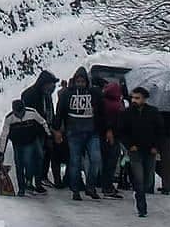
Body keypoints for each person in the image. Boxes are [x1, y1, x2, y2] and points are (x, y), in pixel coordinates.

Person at [53, 67, 103, 201]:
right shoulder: (67, 94)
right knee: (74, 162)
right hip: (74, 133)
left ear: (87, 82)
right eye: (78, 81)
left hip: (92, 132)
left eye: (83, 81)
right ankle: (75, 189)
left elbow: (102, 111)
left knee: (96, 159)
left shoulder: (94, 93)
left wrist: (104, 128)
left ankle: (90, 186)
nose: (80, 84)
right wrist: (57, 130)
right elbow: (59, 112)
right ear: (74, 81)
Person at [118, 86, 165, 217]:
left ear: (144, 99)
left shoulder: (153, 112)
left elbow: (160, 131)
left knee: (148, 180)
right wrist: (129, 145)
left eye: (137, 98)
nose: (134, 100)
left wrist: (156, 146)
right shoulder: (127, 113)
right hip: (135, 150)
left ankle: (139, 191)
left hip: (150, 150)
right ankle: (141, 206)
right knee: (139, 177)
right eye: (132, 97)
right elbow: (121, 131)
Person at [0, 98, 50, 196]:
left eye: (22, 112)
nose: (20, 115)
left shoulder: (32, 113)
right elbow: (4, 135)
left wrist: (48, 135)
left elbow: (43, 122)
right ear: (13, 111)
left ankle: (32, 182)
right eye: (17, 113)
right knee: (19, 164)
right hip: (18, 143)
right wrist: (1, 152)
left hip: (33, 140)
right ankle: (22, 187)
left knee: (33, 160)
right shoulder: (9, 118)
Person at [21, 69, 62, 187]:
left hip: (45, 130)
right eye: (51, 84)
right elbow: (33, 114)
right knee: (34, 155)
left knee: (46, 154)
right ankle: (30, 180)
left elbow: (50, 113)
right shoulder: (30, 94)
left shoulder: (47, 96)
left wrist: (53, 127)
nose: (53, 87)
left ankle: (41, 178)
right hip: (32, 130)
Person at [99, 79, 126, 198]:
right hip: (113, 136)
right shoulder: (116, 105)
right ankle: (108, 187)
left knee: (106, 162)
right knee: (111, 162)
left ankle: (105, 185)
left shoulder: (103, 102)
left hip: (106, 135)